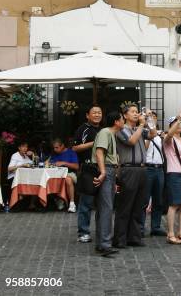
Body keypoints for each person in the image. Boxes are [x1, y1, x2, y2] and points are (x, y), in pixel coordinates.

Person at [113, 104, 148, 248]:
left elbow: (152, 134)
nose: (136, 114)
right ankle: (120, 239)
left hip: (142, 169)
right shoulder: (122, 130)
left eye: (137, 112)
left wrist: (149, 121)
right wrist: (141, 125)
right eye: (133, 112)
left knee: (138, 206)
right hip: (128, 169)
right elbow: (132, 141)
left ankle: (134, 237)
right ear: (125, 115)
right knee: (125, 205)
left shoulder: (139, 129)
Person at [92, 110, 124, 256]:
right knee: (106, 208)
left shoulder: (111, 133)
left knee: (103, 208)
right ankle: (105, 244)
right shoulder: (106, 132)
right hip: (107, 170)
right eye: (122, 119)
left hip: (110, 170)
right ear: (116, 121)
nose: (124, 121)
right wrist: (104, 172)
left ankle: (101, 243)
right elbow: (99, 152)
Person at [72, 105, 103, 243]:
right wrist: (94, 143)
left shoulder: (104, 130)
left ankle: (102, 231)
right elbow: (75, 148)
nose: (97, 115)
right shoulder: (83, 129)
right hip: (87, 169)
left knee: (103, 203)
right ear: (87, 115)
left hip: (102, 169)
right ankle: (83, 232)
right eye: (94, 112)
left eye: (99, 113)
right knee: (86, 203)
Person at [163, 112, 181, 244]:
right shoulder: (168, 139)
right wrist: (179, 119)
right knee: (174, 204)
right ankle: (170, 233)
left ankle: (180, 232)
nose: (179, 125)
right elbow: (169, 134)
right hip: (174, 173)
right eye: (175, 123)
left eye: (179, 123)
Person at [143, 110, 167, 237]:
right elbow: (144, 148)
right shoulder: (142, 132)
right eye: (149, 117)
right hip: (148, 168)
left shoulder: (160, 134)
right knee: (144, 199)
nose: (152, 119)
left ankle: (156, 227)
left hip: (159, 169)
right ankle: (140, 228)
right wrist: (149, 135)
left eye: (153, 117)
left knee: (158, 199)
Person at [48, 138, 79, 213]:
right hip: (56, 174)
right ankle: (58, 199)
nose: (55, 149)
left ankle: (72, 204)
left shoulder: (71, 153)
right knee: (46, 179)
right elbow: (49, 163)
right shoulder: (54, 154)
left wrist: (64, 163)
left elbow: (76, 166)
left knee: (67, 179)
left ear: (62, 146)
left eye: (57, 147)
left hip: (70, 173)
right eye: (54, 148)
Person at [7, 141, 36, 210]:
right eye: (23, 147)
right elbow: (9, 168)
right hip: (14, 177)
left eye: (26, 147)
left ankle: (32, 204)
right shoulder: (15, 155)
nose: (25, 149)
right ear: (19, 148)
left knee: (36, 182)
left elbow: (33, 164)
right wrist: (22, 165)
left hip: (25, 177)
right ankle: (20, 197)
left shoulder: (26, 156)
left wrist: (33, 155)